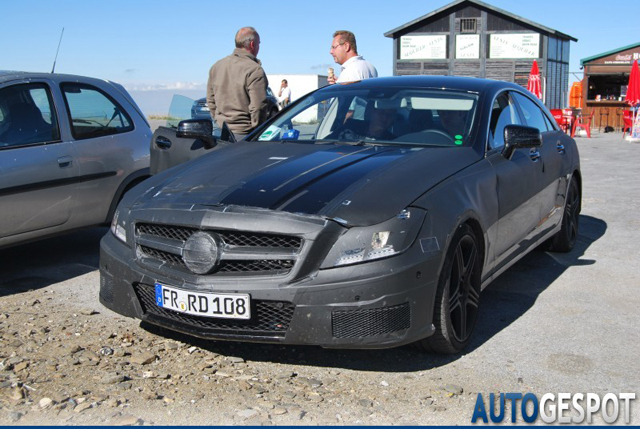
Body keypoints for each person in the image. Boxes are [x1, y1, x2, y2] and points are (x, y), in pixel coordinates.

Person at [206, 26, 269, 140]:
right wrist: (256, 131)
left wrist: (218, 120)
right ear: (252, 45)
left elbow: (211, 100)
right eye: (259, 43)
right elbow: (258, 106)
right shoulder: (254, 70)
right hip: (243, 134)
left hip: (218, 133)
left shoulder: (217, 66)